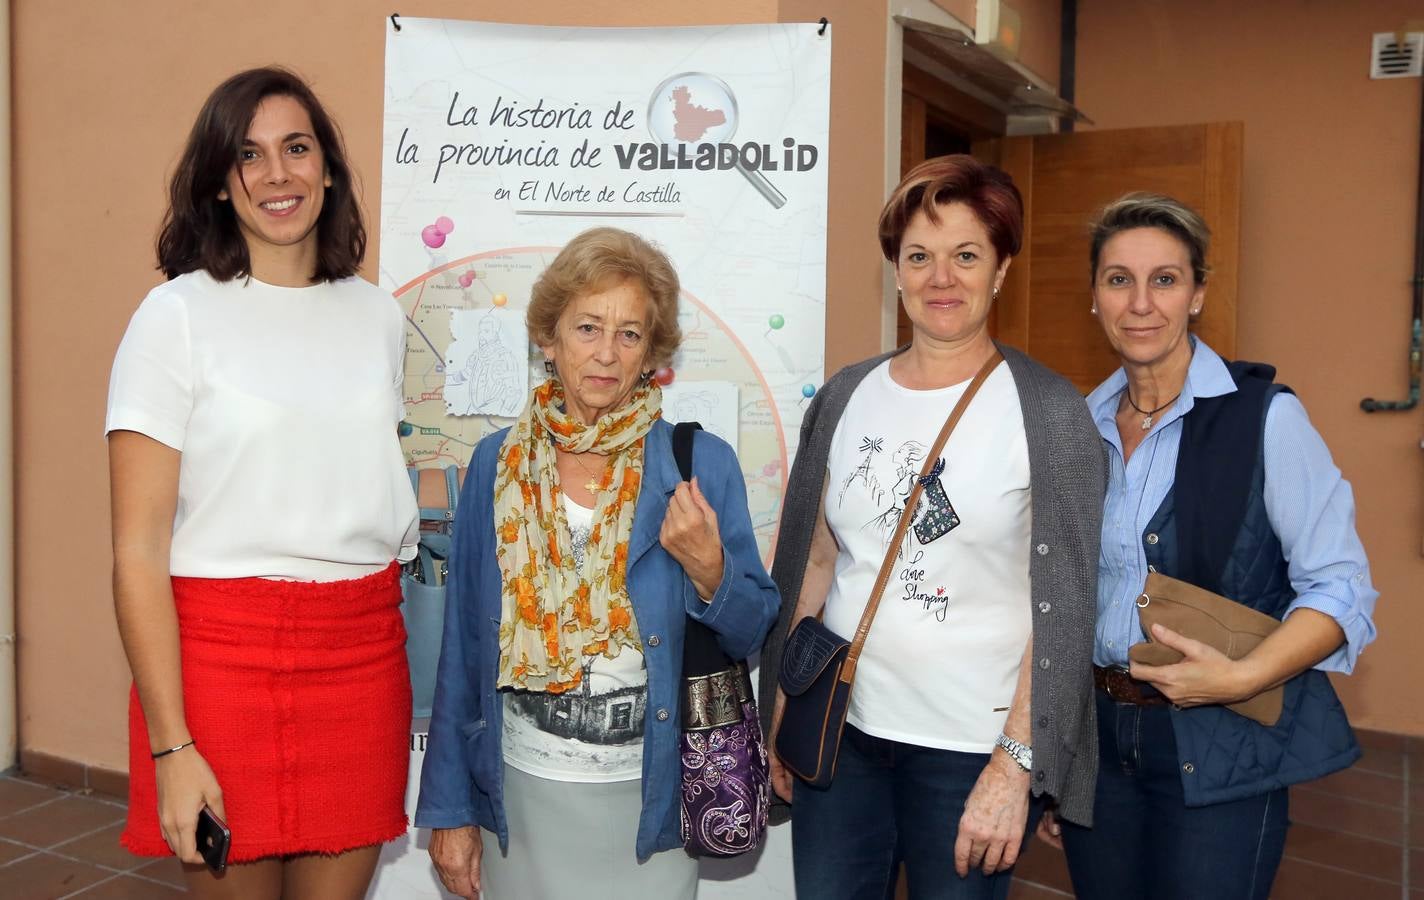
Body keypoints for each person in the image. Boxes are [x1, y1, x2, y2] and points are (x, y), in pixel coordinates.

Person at [106, 67, 418, 898]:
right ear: (218, 181)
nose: (277, 174)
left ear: (328, 168)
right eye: (249, 155)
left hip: (360, 663)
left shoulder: (378, 318)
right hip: (218, 673)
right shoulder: (173, 319)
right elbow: (138, 552)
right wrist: (173, 747)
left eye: (296, 148)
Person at [758, 154, 1104, 900]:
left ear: (1002, 269)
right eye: (920, 256)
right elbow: (814, 560)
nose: (940, 277)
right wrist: (781, 705)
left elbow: (1068, 607)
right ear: (896, 270)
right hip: (841, 733)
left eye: (966, 255)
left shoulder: (1049, 414)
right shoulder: (848, 395)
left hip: (968, 755)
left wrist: (1015, 764)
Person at [415, 227, 780, 900]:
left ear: (653, 355)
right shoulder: (497, 465)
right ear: (548, 340)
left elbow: (752, 629)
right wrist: (449, 812)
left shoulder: (698, 466)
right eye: (587, 327)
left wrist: (710, 572)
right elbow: (462, 653)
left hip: (652, 804)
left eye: (630, 334)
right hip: (521, 800)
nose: (607, 353)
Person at [1055, 192, 1378, 899]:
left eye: (1165, 279)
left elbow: (1343, 588)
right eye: (1119, 279)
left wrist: (1243, 677)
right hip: (1101, 742)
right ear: (1094, 297)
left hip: (1222, 735)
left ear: (1198, 293)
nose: (1141, 303)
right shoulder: (1077, 429)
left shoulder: (1267, 418)